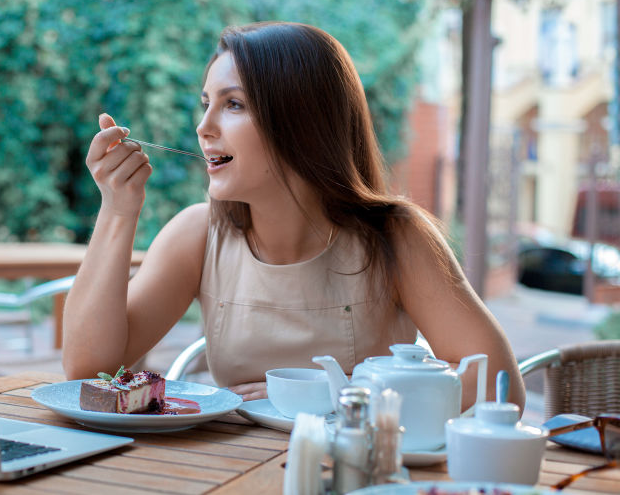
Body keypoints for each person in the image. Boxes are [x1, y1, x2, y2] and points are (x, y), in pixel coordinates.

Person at [62, 21, 525, 410]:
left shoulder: (396, 238)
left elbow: (499, 387)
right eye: (207, 104)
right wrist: (118, 210)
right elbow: (87, 372)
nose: (204, 127)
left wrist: (336, 396)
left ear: (301, 123)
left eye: (234, 104)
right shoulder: (197, 234)